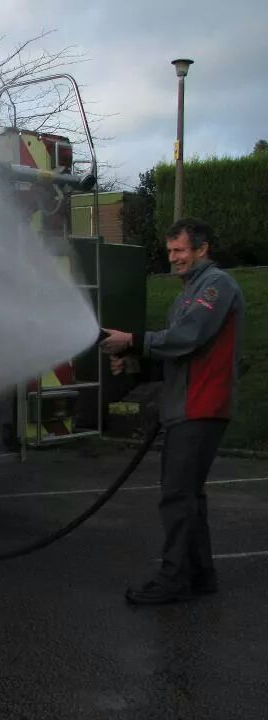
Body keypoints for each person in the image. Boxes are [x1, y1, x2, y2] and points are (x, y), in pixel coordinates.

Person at [101, 217, 244, 605]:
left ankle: (174, 578)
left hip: (202, 405)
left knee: (178, 496)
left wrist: (133, 340)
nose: (173, 258)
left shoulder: (216, 286)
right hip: (185, 405)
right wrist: (135, 360)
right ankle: (199, 575)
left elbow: (188, 336)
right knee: (188, 496)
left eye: (180, 250)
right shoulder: (185, 296)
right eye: (169, 251)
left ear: (202, 249)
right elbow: (177, 355)